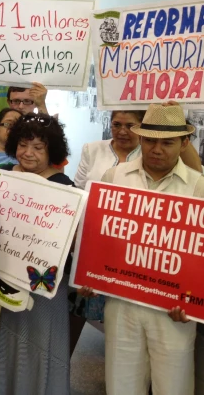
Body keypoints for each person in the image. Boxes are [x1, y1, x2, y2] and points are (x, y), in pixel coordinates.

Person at [78, 103, 204, 395]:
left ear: (185, 143)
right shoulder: (115, 177)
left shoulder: (198, 186)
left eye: (167, 143)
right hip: (122, 304)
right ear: (141, 139)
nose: (157, 149)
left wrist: (196, 301)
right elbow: (101, 234)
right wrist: (90, 274)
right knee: (121, 385)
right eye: (150, 141)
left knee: (173, 387)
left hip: (174, 309)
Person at [0, 113, 75, 395]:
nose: (28, 153)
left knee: (39, 347)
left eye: (38, 147)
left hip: (41, 290)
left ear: (52, 151)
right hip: (2, 281)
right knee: (2, 345)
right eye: (23, 144)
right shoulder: (0, 178)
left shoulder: (65, 188)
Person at [0, 84, 49, 148]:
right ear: (9, 102)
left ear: (36, 103)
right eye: (16, 101)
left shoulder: (43, 130)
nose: (21, 106)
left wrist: (41, 105)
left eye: (27, 101)